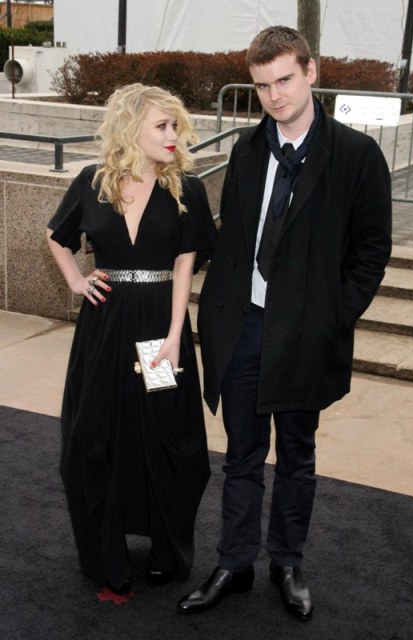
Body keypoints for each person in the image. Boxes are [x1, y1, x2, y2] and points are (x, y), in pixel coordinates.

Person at [178, 26, 392, 620]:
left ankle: (287, 563)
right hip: (243, 328)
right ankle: (234, 563)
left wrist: (332, 318)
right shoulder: (247, 149)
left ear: (311, 72)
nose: (275, 96)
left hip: (306, 336)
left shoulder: (356, 155)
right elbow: (235, 234)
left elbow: (372, 250)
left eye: (285, 80)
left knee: (297, 456)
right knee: (241, 455)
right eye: (262, 85)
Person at [47, 83, 217, 598]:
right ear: (130, 127)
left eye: (175, 125)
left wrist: (175, 336)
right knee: (94, 435)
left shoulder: (187, 189)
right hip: (104, 327)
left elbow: (185, 265)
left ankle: (167, 549)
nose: (173, 134)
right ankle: (106, 551)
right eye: (162, 125)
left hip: (160, 329)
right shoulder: (92, 182)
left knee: (169, 439)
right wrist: (77, 281)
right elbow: (56, 236)